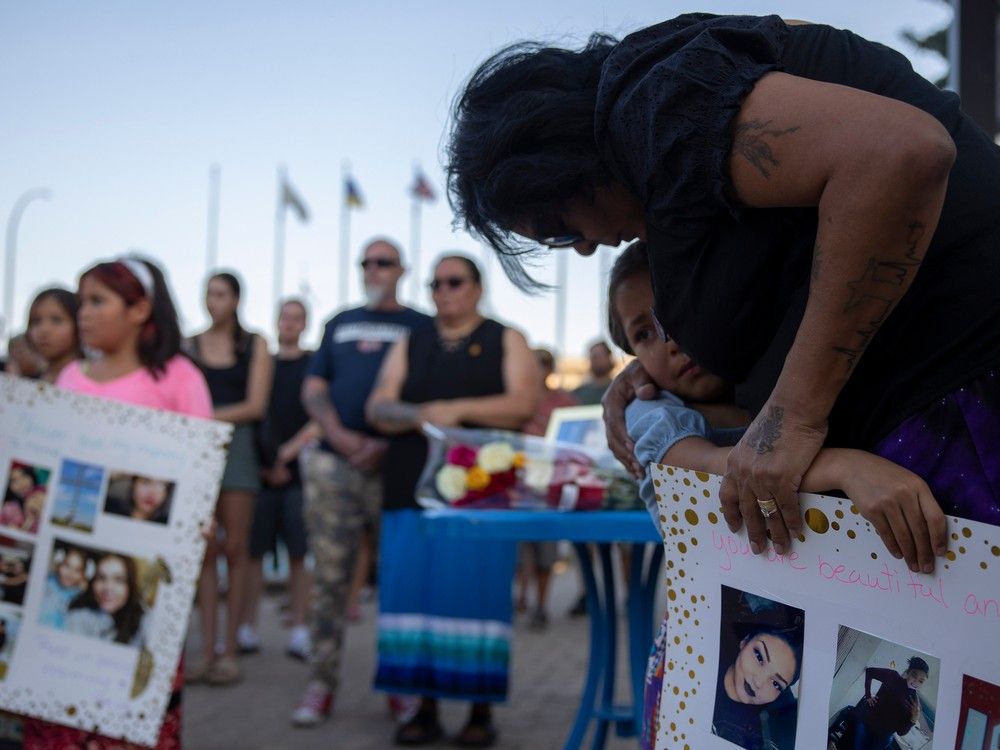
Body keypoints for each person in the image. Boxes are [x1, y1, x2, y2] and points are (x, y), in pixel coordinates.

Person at [447, 14, 1000, 573]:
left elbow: (900, 153)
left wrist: (792, 418)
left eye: (560, 232)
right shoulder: (676, 100)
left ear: (555, 170)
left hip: (967, 409)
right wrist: (655, 372)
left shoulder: (657, 106)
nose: (586, 250)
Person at [607, 241, 945, 750]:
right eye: (644, 334)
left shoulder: (776, 387)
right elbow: (701, 469)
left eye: (675, 312)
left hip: (787, 656)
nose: (670, 340)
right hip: (706, 656)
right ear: (633, 359)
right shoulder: (654, 413)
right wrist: (844, 466)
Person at [23, 254, 213, 749]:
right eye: (81, 301)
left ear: (139, 309)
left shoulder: (177, 378)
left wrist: (200, 522)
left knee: (132, 715)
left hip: (146, 592)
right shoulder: (71, 380)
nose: (83, 313)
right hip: (67, 582)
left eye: (98, 301)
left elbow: (199, 481)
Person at [367, 254, 538, 747]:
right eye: (435, 283)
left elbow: (524, 401)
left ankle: (480, 711)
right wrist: (427, 415)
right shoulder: (411, 341)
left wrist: (455, 411)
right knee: (411, 595)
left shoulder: (505, 337)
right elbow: (377, 407)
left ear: (477, 287)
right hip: (409, 488)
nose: (443, 291)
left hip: (481, 493)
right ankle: (421, 707)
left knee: (476, 594)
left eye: (454, 281)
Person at [291, 238, 432, 727]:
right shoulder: (339, 322)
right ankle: (320, 682)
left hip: (396, 466)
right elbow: (314, 387)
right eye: (366, 262)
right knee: (329, 576)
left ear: (402, 270)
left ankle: (399, 685)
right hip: (334, 463)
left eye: (383, 262)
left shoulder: (420, 325)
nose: (373, 269)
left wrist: (386, 445)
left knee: (397, 579)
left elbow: (427, 394)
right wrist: (340, 436)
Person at [186, 271, 273, 686]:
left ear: (236, 299)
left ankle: (230, 651)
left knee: (236, 550)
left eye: (220, 294)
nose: (212, 301)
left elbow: (256, 405)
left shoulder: (255, 344)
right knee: (203, 553)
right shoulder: (188, 346)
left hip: (238, 451)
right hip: (196, 451)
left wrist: (206, 417)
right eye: (208, 294)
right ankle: (205, 651)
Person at [239, 298, 316, 661]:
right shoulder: (261, 364)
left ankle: (300, 627)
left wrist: (288, 453)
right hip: (261, 473)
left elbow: (320, 416)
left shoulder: (314, 364)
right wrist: (268, 461)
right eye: (284, 316)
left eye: (296, 318)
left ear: (304, 324)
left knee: (300, 554)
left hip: (299, 475)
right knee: (253, 553)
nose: (289, 323)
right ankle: (246, 626)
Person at [517, 348, 576, 628]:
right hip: (519, 482)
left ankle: (540, 605)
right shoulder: (516, 399)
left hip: (551, 485)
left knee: (545, 551)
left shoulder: (564, 402)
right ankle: (521, 599)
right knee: (520, 548)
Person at [711, 588, 803, 750]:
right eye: (759, 657)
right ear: (744, 641)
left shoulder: (763, 736)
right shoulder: (705, 646)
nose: (759, 682)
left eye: (776, 684)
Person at [838, 657, 930, 750]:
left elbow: (900, 732)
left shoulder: (914, 703)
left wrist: (913, 720)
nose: (916, 682)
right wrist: (868, 695)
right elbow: (870, 672)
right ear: (908, 672)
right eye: (914, 675)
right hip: (867, 723)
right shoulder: (893, 676)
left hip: (882, 737)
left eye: (921, 681)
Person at [64, 552, 149, 647]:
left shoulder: (145, 624)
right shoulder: (77, 617)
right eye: (101, 578)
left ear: (130, 587)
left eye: (118, 580)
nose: (108, 587)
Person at [26, 288, 82, 384]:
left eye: (56, 320)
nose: (44, 330)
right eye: (36, 321)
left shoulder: (90, 383)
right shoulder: (27, 382)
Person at [39, 545, 89, 630]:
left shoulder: (79, 595)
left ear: (83, 575)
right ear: (59, 565)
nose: (70, 573)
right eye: (67, 566)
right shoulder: (47, 581)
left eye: (77, 570)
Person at [105, 476, 173, 524]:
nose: (152, 492)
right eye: (146, 482)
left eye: (162, 485)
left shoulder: (168, 522)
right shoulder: (109, 507)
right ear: (134, 483)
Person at [572, 340, 614, 405]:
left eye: (599, 356)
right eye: (593, 357)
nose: (596, 360)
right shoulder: (578, 393)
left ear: (609, 358)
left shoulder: (619, 389)